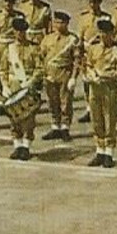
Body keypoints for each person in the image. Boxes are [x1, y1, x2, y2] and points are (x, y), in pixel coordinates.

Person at [0, 16, 43, 160]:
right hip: (13, 86)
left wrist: (31, 81)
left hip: (28, 86)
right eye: (18, 31)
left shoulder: (33, 48)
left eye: (23, 31)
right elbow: (3, 70)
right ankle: (17, 146)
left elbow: (39, 68)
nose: (20, 34)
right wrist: (4, 85)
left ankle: (26, 146)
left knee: (29, 118)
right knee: (14, 118)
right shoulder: (9, 49)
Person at [83, 19, 117, 167]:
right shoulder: (93, 48)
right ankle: (99, 150)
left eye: (106, 33)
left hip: (109, 87)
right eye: (100, 32)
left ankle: (109, 152)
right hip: (95, 87)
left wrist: (104, 76)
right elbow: (88, 65)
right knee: (96, 119)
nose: (102, 35)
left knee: (109, 120)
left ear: (112, 34)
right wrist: (91, 75)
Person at [39, 11, 81, 141]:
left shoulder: (72, 40)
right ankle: (55, 125)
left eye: (61, 22)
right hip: (50, 73)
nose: (58, 25)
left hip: (64, 73)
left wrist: (74, 77)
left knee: (65, 102)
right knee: (52, 101)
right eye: (56, 22)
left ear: (67, 24)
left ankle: (65, 127)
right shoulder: (48, 38)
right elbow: (41, 56)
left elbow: (77, 60)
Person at [74, 0, 110, 124]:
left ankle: (101, 107)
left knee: (101, 80)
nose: (92, 5)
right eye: (90, 2)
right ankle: (89, 108)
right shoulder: (84, 18)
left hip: (100, 52)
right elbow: (80, 37)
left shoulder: (106, 18)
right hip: (87, 53)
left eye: (95, 2)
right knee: (87, 82)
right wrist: (79, 51)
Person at [0, 0, 21, 98]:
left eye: (10, 3)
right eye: (6, 2)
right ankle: (1, 93)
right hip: (0, 45)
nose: (8, 4)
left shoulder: (18, 17)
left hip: (12, 45)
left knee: (13, 70)